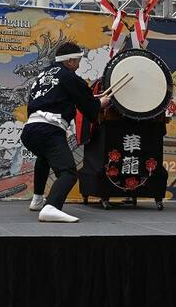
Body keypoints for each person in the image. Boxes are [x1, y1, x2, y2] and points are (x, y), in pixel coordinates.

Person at [20, 42, 110, 223]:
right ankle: (51, 207)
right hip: (48, 130)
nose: (78, 65)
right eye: (77, 61)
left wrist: (91, 100)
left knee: (44, 158)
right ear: (69, 61)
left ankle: (38, 199)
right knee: (68, 172)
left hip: (30, 130)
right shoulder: (69, 77)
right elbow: (88, 105)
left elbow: (66, 97)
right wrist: (101, 103)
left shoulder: (43, 75)